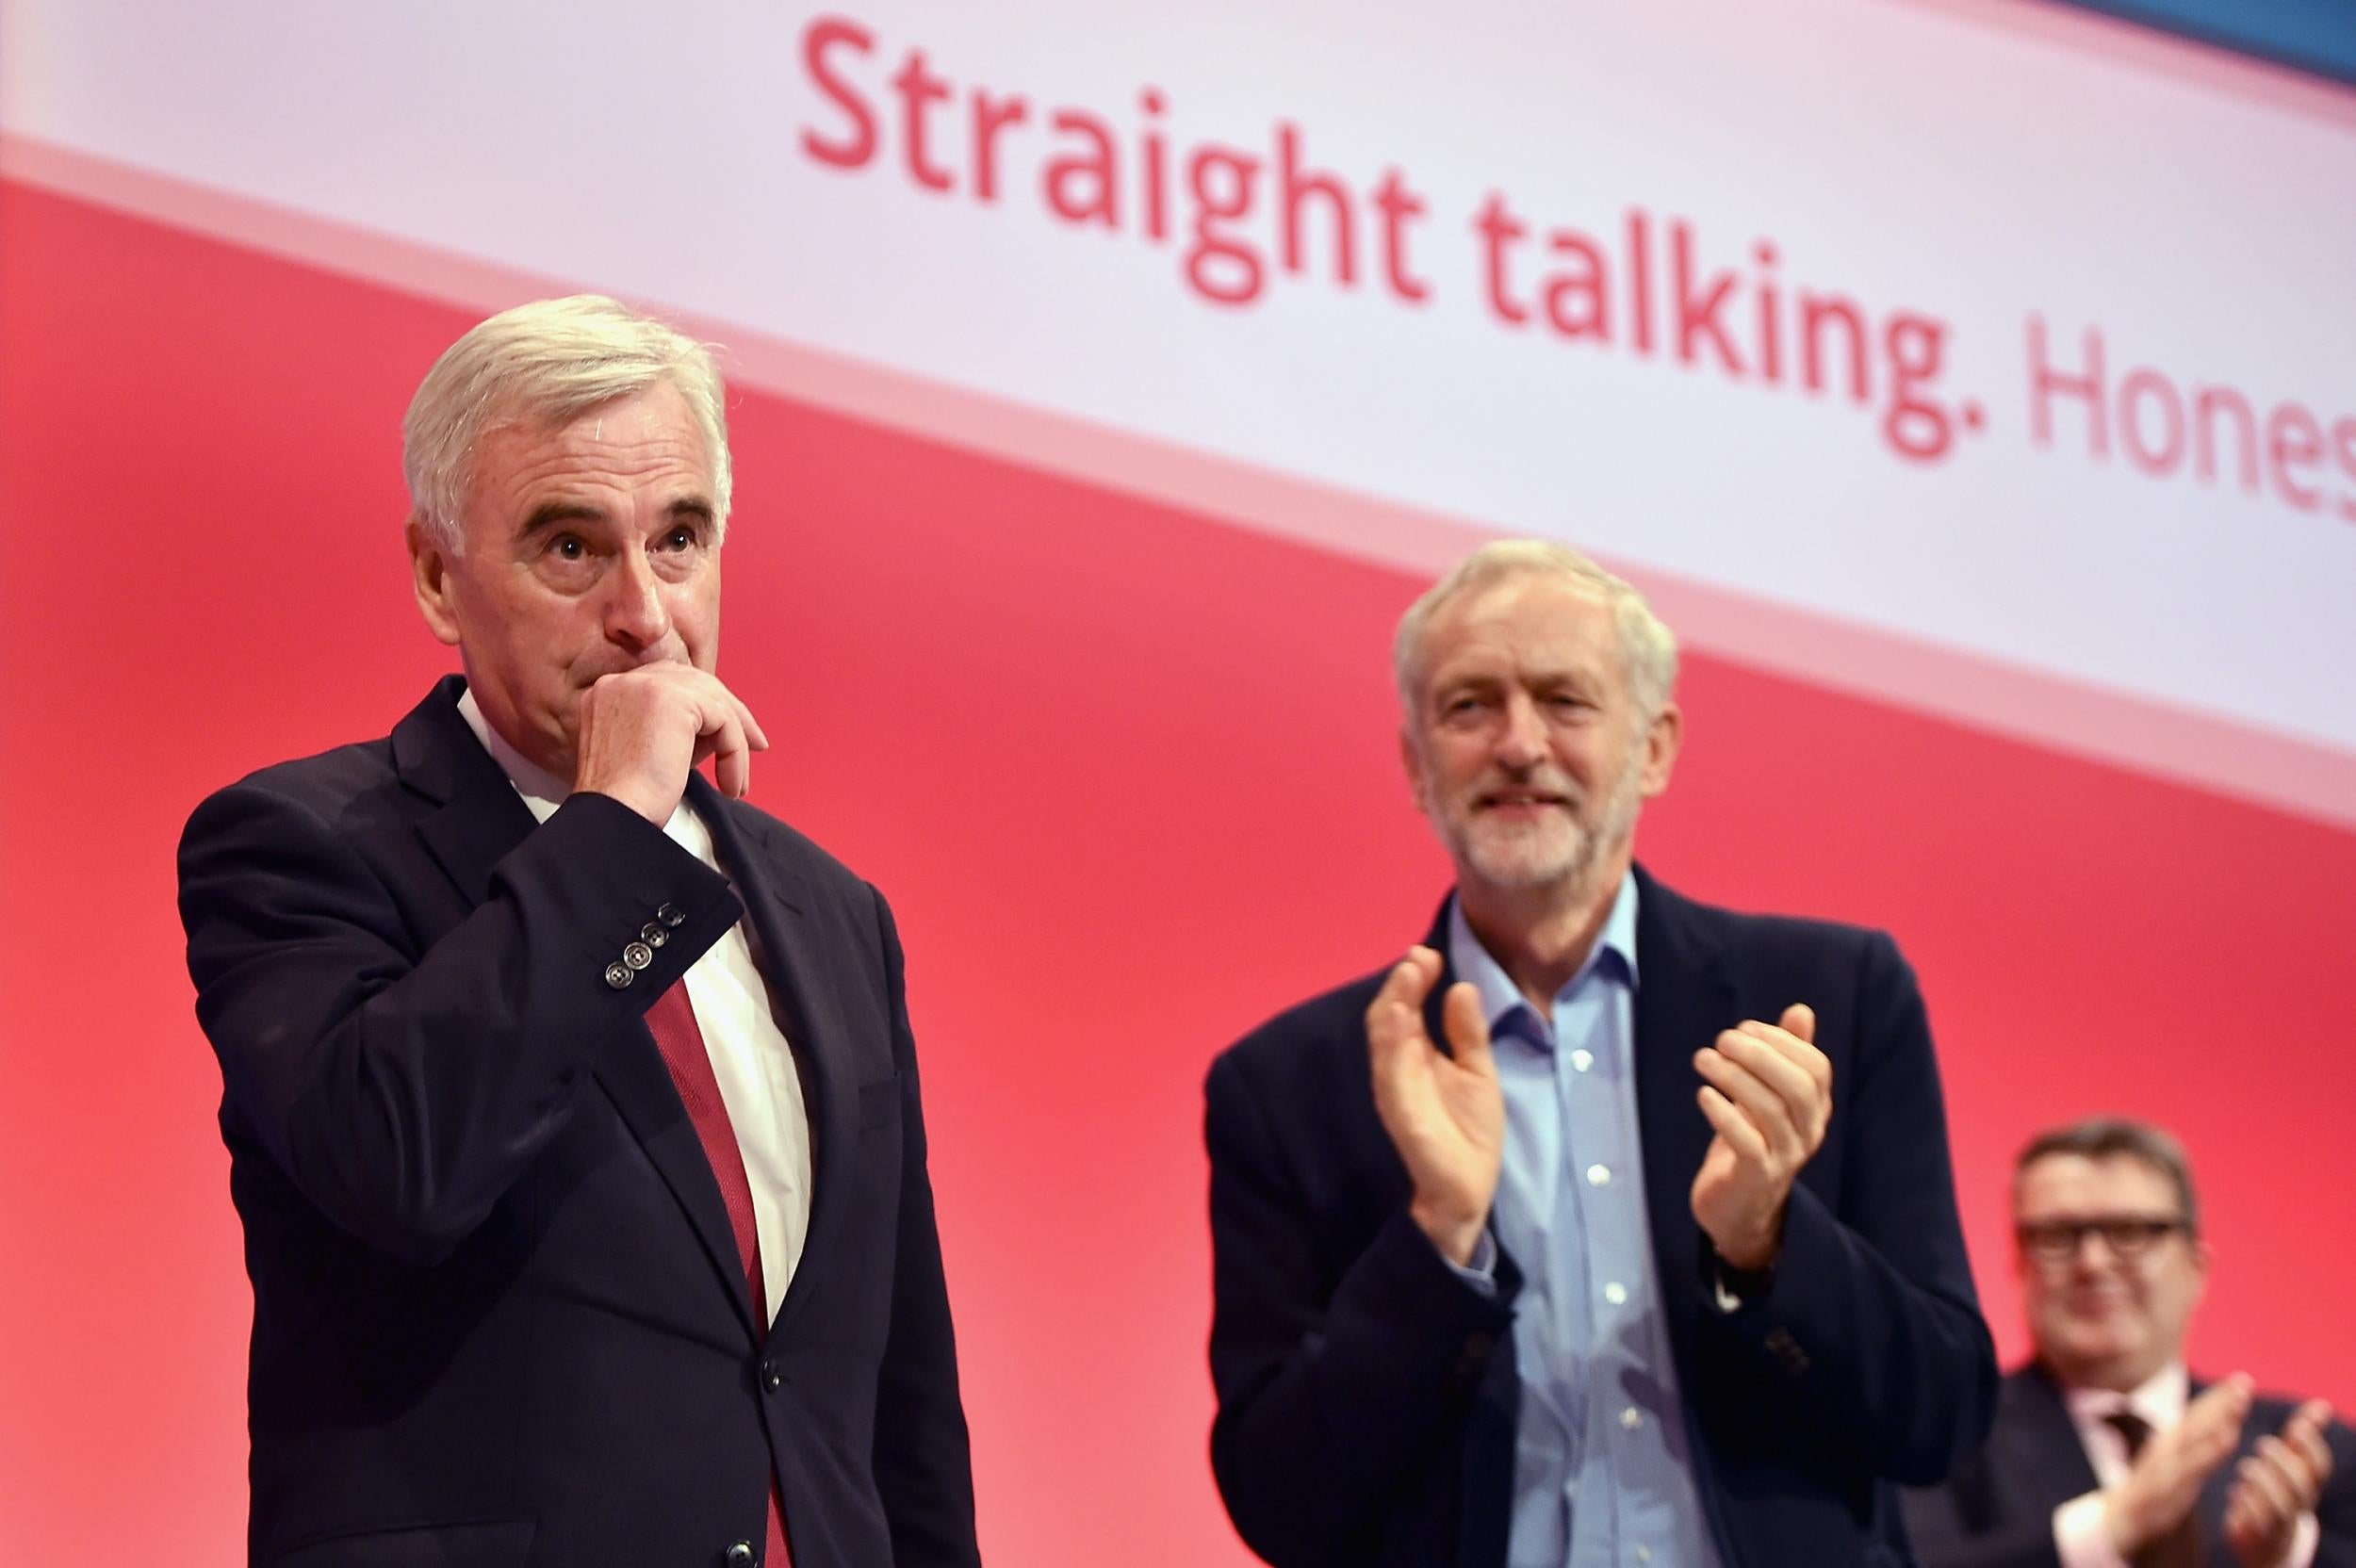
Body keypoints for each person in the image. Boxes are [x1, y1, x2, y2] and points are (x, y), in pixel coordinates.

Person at [178, 296, 979, 1568]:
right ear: (440, 576)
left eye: (680, 539)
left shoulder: (836, 915)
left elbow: (896, 1393)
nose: (646, 615)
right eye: (570, 547)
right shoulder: (299, 848)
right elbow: (405, 1166)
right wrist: (610, 825)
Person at [1203, 539, 1997, 1568]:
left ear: (1654, 748)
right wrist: (1439, 1241)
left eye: (1565, 700)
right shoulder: (1291, 1081)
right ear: (1414, 763)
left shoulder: (1831, 999)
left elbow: (1941, 1413)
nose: (1518, 743)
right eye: (1468, 706)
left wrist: (1764, 1244)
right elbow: (1280, 1504)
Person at [1902, 1118, 2353, 1568]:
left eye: (2131, 1232)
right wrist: (2110, 1528)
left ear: (2197, 1267)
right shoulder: (1949, 1436)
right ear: (2019, 1267)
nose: (2093, 1263)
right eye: (2058, 1236)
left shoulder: (2310, 1450)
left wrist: (2290, 1553)